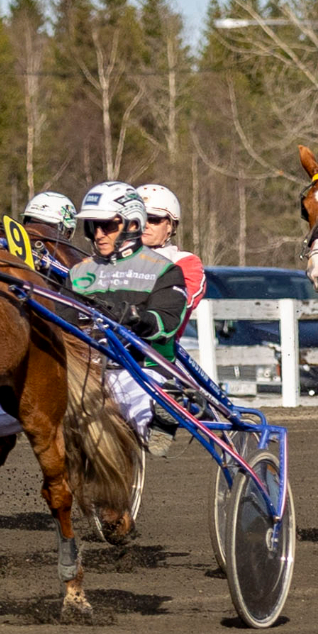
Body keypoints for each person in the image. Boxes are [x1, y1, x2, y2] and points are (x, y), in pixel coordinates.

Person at [69, 181, 191, 455]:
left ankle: (157, 418)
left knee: (137, 400)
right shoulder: (78, 273)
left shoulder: (164, 271)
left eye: (108, 226)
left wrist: (135, 318)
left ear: (133, 224)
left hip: (139, 368)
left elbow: (166, 324)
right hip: (85, 372)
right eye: (91, 226)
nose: (98, 234)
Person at [136, 183, 205, 324]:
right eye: (138, 219)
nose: (145, 225)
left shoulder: (185, 262)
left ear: (169, 226)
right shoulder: (112, 258)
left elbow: (179, 304)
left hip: (157, 342)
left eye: (153, 219)